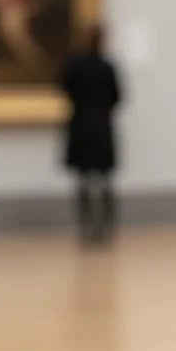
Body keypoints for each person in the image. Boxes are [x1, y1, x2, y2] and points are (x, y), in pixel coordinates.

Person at [60, 23, 122, 245]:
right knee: (104, 180)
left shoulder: (75, 65)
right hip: (101, 126)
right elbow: (117, 97)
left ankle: (87, 227)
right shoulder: (106, 67)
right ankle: (104, 226)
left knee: (84, 180)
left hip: (81, 126)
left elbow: (64, 88)